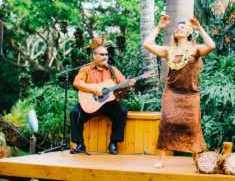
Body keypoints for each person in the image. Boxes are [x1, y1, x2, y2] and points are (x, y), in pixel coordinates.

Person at [143, 15, 215, 168]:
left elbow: (211, 45)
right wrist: (158, 28)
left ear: (188, 32)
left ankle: (195, 159)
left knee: (192, 125)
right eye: (176, 28)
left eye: (182, 27)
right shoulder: (169, 50)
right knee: (165, 123)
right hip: (171, 93)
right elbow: (147, 44)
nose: (178, 29)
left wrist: (199, 28)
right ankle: (162, 160)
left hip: (190, 94)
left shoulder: (195, 50)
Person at [70, 35, 135, 155]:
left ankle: (113, 143)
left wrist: (129, 85)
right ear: (94, 56)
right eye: (101, 54)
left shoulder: (113, 70)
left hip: (108, 103)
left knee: (121, 111)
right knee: (75, 112)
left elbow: (122, 84)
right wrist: (94, 89)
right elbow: (77, 82)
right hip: (91, 102)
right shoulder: (86, 69)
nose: (105, 57)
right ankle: (79, 144)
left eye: (106, 55)